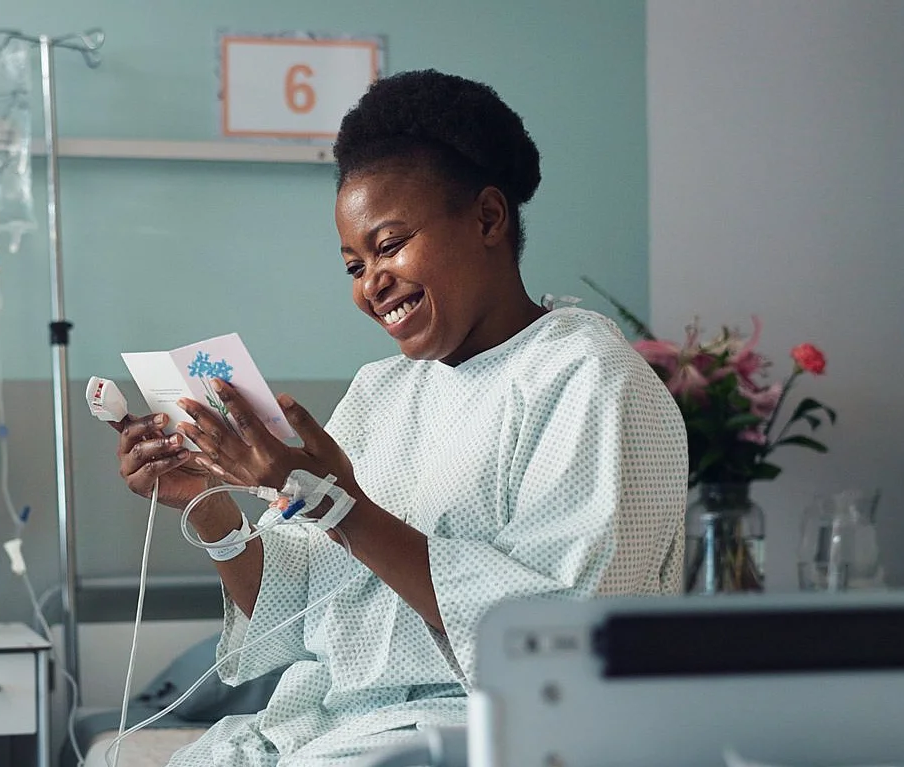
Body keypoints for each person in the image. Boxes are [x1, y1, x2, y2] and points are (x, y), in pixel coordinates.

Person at [108, 69, 688, 766]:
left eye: (389, 245)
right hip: (335, 729)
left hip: (485, 740)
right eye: (353, 264)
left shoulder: (590, 378)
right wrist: (205, 504)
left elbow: (561, 643)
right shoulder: (381, 392)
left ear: (488, 219)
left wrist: (339, 506)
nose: (369, 285)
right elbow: (290, 611)